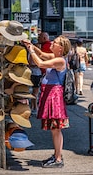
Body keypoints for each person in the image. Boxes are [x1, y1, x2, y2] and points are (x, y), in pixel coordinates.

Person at [23, 35, 71, 168]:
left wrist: (31, 51)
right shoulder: (56, 58)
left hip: (54, 96)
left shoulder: (60, 61)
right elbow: (43, 54)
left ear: (60, 48)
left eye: (55, 42)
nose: (52, 43)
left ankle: (58, 158)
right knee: (54, 129)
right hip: (51, 94)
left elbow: (40, 63)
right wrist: (30, 46)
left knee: (56, 129)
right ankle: (57, 155)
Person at [28, 39, 42, 116]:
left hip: (36, 73)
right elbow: (30, 63)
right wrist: (38, 65)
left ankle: (34, 107)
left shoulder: (34, 53)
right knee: (35, 92)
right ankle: (35, 107)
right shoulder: (32, 53)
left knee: (35, 91)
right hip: (35, 73)